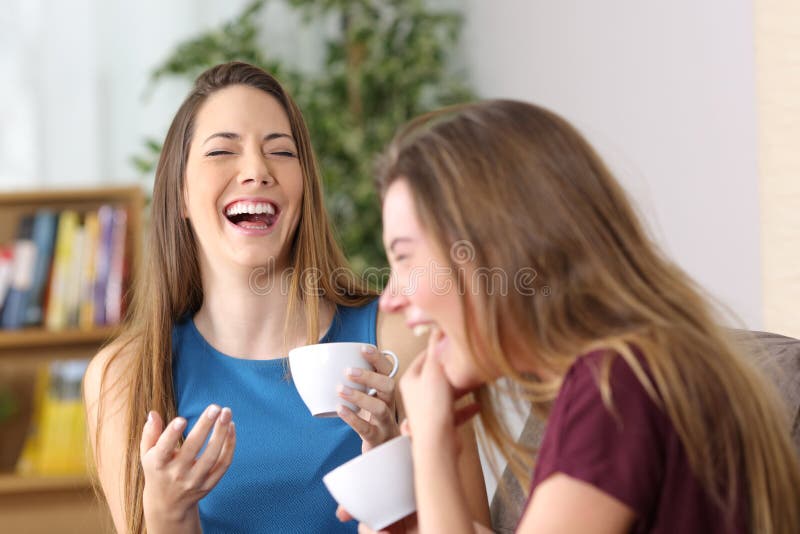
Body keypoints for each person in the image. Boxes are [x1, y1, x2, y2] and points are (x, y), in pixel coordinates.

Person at [82, 62, 490, 534]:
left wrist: (391, 474)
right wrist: (168, 515)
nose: (257, 171)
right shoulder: (123, 377)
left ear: (305, 189)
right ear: (179, 196)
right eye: (221, 151)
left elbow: (471, 525)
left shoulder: (403, 340)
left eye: (280, 151)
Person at [364, 99, 800, 533]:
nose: (390, 299)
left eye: (404, 257)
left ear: (496, 251)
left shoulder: (616, 389)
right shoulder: (621, 370)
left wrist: (433, 447)